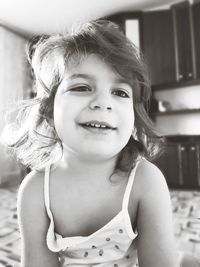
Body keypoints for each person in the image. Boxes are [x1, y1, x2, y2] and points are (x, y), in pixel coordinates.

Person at [3, 19, 178, 267]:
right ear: (50, 111)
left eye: (120, 92)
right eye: (83, 87)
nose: (103, 102)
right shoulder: (35, 191)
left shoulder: (145, 182)